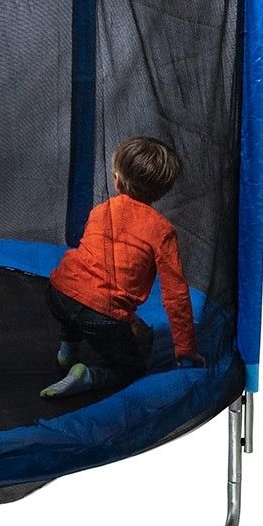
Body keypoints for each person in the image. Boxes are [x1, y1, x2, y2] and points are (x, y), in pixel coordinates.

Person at [40, 137, 203, 398]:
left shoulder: (100, 210)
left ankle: (67, 351)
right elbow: (176, 295)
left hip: (58, 294)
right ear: (162, 191)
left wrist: (126, 318)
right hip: (100, 316)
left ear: (116, 181)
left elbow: (95, 269)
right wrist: (186, 350)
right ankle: (88, 376)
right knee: (132, 368)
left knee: (79, 293)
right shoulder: (162, 230)